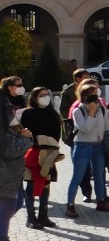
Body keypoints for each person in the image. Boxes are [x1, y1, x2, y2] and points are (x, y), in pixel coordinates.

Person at [65, 79, 109, 217]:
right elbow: (85, 128)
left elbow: (107, 127)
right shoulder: (77, 111)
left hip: (99, 146)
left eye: (96, 94)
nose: (95, 97)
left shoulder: (101, 109)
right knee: (77, 177)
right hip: (82, 146)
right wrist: (91, 113)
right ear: (84, 96)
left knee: (99, 175)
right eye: (91, 94)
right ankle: (70, 205)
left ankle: (101, 201)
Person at [21, 86, 61, 229]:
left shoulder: (53, 114)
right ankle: (31, 217)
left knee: (46, 184)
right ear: (34, 98)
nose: (45, 97)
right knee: (31, 185)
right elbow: (24, 134)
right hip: (32, 153)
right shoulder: (28, 114)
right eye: (41, 95)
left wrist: (52, 148)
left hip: (48, 154)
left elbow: (57, 134)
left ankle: (43, 216)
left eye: (47, 94)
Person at [0, 76, 33, 241]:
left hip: (12, 174)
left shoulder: (10, 126)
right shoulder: (5, 130)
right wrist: (26, 139)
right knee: (10, 203)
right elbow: (11, 149)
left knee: (17, 202)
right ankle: (2, 240)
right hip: (6, 172)